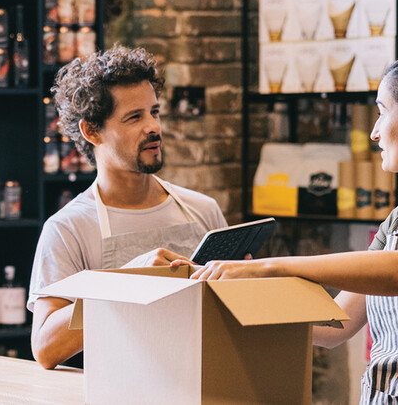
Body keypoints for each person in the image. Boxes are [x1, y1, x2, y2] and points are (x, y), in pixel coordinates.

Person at [182, 60, 398, 404]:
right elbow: (333, 326)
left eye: (382, 111)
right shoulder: (395, 221)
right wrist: (234, 301)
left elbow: (395, 272)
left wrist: (271, 266)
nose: (374, 131)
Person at [28, 45, 228, 370]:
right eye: (134, 117)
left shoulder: (202, 210)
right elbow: (46, 347)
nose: (154, 127)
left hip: (208, 385)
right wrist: (127, 279)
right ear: (92, 131)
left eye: (155, 112)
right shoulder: (68, 229)